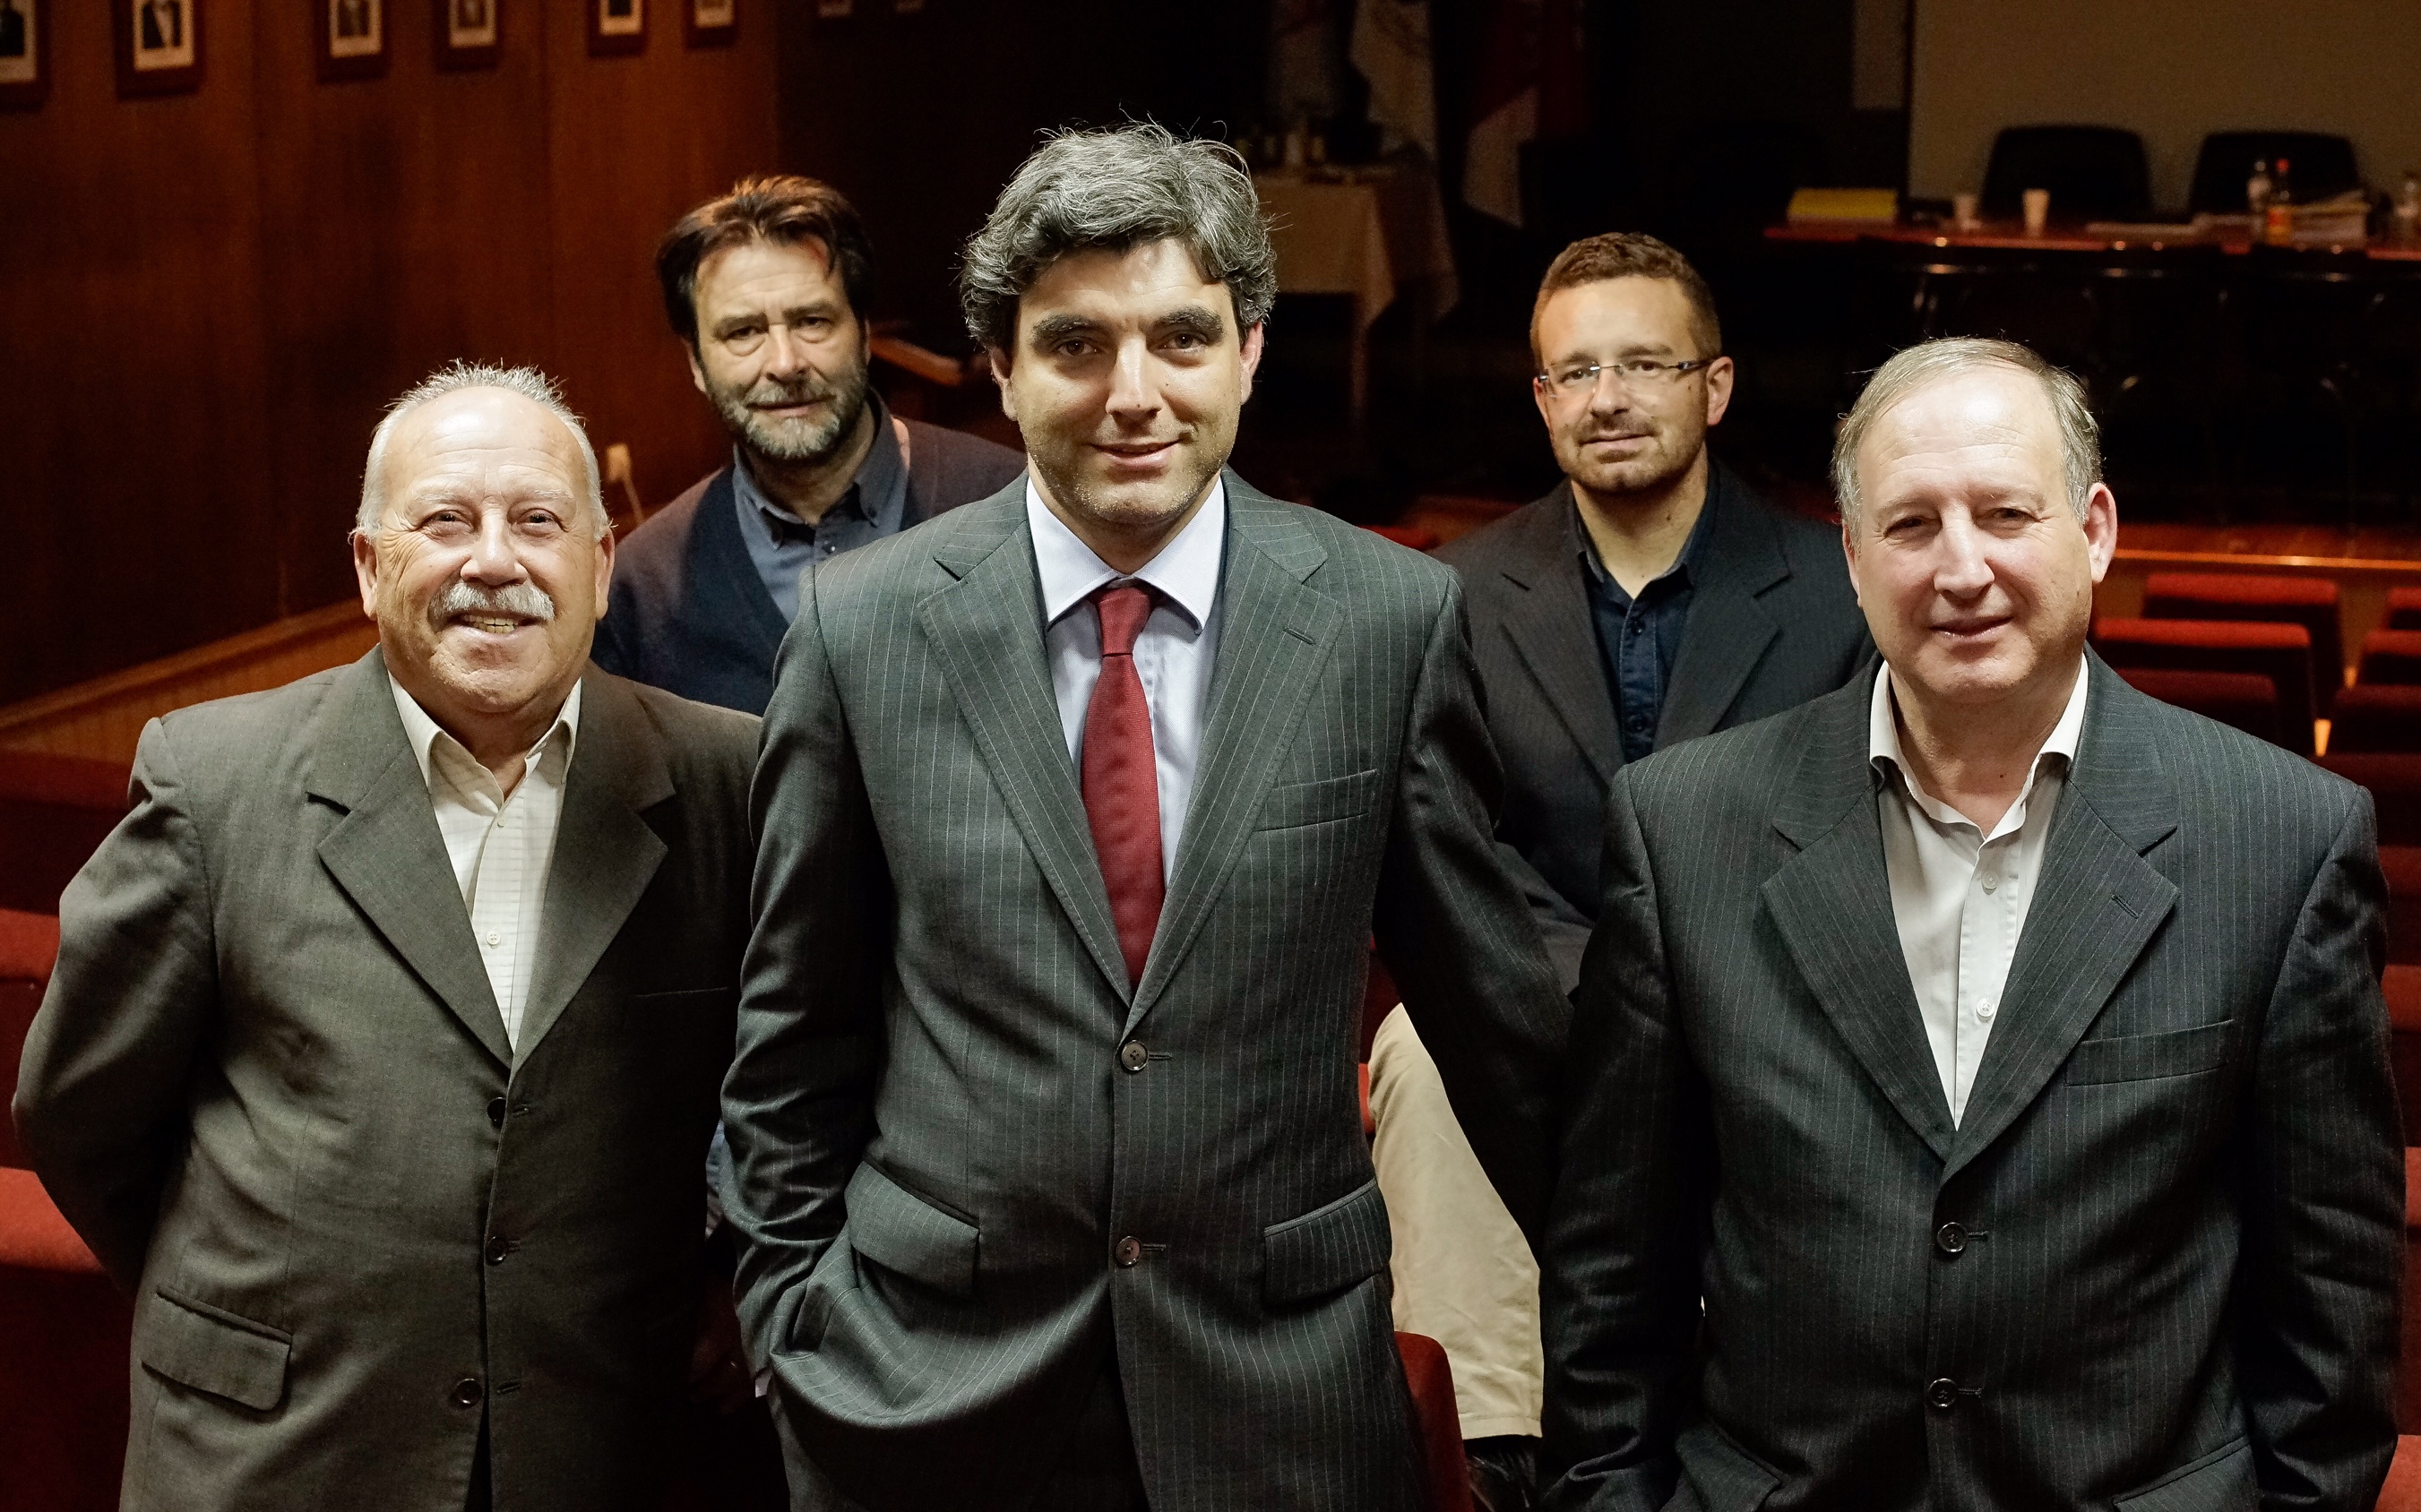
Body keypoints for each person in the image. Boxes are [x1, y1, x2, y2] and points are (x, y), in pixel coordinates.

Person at [719, 123, 1566, 1511]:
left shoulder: (1385, 621)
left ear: (1248, 351)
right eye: (1075, 345)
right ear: (1001, 368)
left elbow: (1502, 1038)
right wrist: (792, 1335)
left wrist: (1621, 1349)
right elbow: (789, 1045)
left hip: (1280, 1399)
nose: (1134, 394)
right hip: (928, 1399)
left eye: (1180, 338)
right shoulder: (863, 631)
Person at [1540, 337, 2402, 1510]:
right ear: (1852, 559)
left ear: (2092, 531)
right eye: (1909, 525)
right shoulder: (1682, 829)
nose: (1961, 568)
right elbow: (1610, 1277)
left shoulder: (2279, 837)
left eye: (2004, 513)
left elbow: (2330, 1304)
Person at [15, 363, 762, 1512]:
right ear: (370, 568)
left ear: (602, 563)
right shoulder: (214, 781)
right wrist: (266, 1300)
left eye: (537, 522)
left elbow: (800, 1086)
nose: (494, 562)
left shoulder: (727, 779)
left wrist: (727, 1271)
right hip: (282, 1448)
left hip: (603, 1441)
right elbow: (83, 1114)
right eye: (446, 521)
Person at [1370, 233, 1873, 1510]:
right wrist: (1582, 998)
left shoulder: (1838, 593)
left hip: (1769, 996)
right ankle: (1491, 1453)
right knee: (1424, 1048)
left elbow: (1852, 840)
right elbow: (1453, 849)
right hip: (1528, 1002)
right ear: (1541, 400)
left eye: (1644, 364)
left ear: (1715, 386)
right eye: (1575, 372)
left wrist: (1680, 997)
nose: (1607, 398)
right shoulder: (1450, 596)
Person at [591, 180, 1024, 715]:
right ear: (696, 363)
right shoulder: (640, 591)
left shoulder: (1014, 506)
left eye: (812, 321)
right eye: (743, 332)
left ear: (864, 334)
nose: (785, 363)